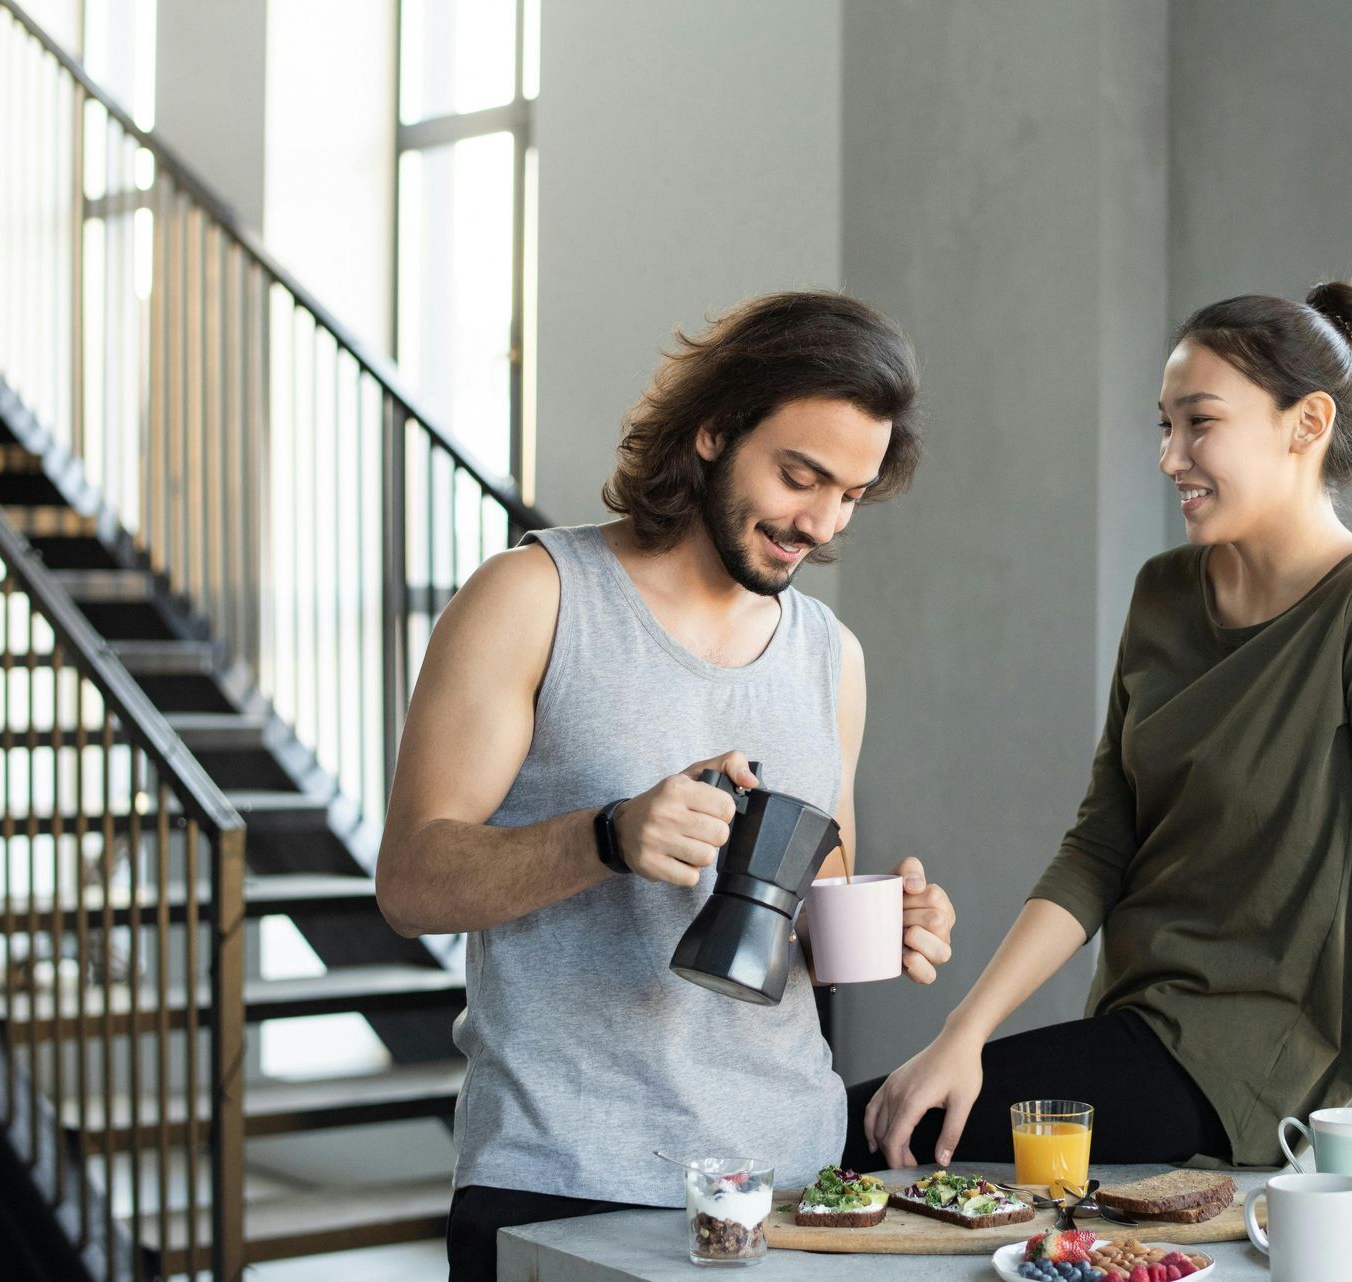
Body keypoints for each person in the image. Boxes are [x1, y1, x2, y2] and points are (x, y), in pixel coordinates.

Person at [844, 285, 1352, 1217]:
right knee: (887, 1126)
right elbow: (1099, 847)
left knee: (861, 1128)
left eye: (1199, 424)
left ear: (1307, 423)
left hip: (1240, 1079)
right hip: (1133, 1038)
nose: (1168, 457)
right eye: (1164, 425)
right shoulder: (1162, 595)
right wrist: (964, 1034)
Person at [373, 291, 959, 1282]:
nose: (819, 522)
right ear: (714, 429)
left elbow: (814, 913)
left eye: (850, 495)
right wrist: (605, 837)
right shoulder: (535, 597)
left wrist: (888, 920)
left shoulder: (832, 657)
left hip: (795, 1182)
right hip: (566, 1178)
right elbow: (412, 882)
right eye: (800, 476)